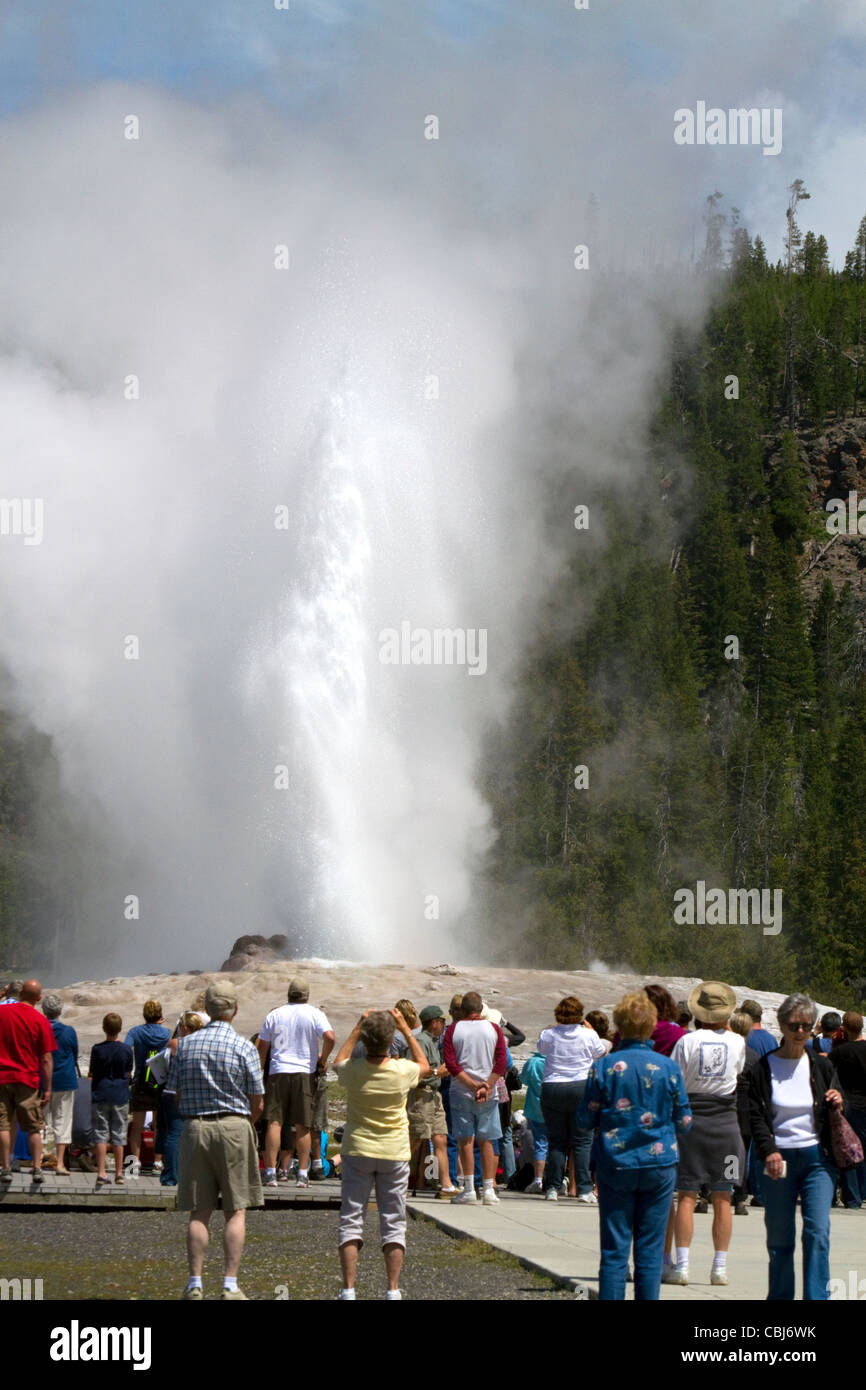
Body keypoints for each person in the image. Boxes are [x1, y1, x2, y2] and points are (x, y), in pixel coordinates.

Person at [577, 991, 692, 1299]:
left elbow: (585, 1119)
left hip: (616, 1164)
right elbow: (685, 1121)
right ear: (652, 1025)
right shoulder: (668, 1068)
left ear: (619, 1025)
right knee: (650, 1252)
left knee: (615, 1250)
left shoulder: (604, 1067)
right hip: (659, 1165)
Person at [171, 982, 265, 1300]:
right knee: (236, 1209)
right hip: (235, 1126)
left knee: (199, 1210)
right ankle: (229, 1285)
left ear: (207, 1009)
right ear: (235, 1010)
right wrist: (245, 1124)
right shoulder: (245, 1047)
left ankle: (195, 1284)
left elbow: (176, 1094)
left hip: (196, 1127)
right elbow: (258, 1100)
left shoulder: (184, 1045)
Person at [748, 992, 844, 1300]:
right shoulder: (763, 1068)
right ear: (781, 1025)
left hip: (818, 1159)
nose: (799, 1032)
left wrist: (838, 1102)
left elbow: (839, 1101)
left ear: (813, 1026)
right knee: (780, 1237)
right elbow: (755, 1115)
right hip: (778, 1161)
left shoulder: (821, 1066)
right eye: (793, 1025)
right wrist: (770, 1150)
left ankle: (817, 1297)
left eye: (805, 1025)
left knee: (817, 1232)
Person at [333, 1008, 431, 1299]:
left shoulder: (353, 1070)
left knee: (351, 1216)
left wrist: (356, 1026)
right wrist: (406, 1029)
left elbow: (337, 1062)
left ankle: (349, 1289)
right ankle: (392, 1290)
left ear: (365, 1039)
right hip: (394, 1151)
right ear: (391, 1041)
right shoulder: (403, 1071)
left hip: (358, 1148)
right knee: (393, 1219)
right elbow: (424, 1064)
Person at [668, 981, 745, 1287]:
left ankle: (683, 1265)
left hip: (691, 1123)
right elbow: (737, 1074)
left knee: (686, 1196)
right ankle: (719, 1267)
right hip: (726, 1124)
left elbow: (675, 1080)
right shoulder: (739, 1042)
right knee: (723, 1196)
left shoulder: (686, 1042)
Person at [256, 978, 335, 1189]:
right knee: (303, 1125)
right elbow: (330, 1037)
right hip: (303, 1073)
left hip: (278, 1072)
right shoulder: (314, 1013)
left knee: (274, 1122)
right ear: (307, 995)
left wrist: (259, 1072)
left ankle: (271, 1173)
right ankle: (302, 1174)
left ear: (288, 994)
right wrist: (323, 1059)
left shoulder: (275, 1014)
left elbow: (262, 1046)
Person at [537, 996, 607, 1204]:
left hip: (553, 1086)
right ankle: (585, 1189)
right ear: (580, 1015)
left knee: (557, 1141)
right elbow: (601, 1052)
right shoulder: (588, 1034)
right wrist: (589, 1029)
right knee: (582, 1141)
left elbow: (542, 1050)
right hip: (580, 1086)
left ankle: (552, 1187)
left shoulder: (549, 1034)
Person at [442, 991, 507, 1205]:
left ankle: (469, 1189)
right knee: (487, 1139)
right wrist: (486, 1085)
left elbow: (451, 1063)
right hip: (489, 1092)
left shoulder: (453, 1029)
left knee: (465, 1139)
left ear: (462, 1010)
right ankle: (488, 1189)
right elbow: (501, 1062)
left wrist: (471, 1085)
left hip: (461, 1090)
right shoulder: (494, 1029)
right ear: (480, 1009)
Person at [0, 979, 56, 1183]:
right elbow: (47, 1059)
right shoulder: (40, 1020)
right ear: (39, 998)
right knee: (33, 1126)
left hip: (2, 1078)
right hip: (27, 1079)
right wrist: (47, 1087)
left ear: (20, 992)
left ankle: (5, 1168)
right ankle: (36, 1168)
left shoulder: (2, 1013)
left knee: (3, 1125)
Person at [407, 1005, 456, 1195]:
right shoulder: (420, 1041)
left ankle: (446, 1184)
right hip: (421, 1095)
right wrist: (437, 1072)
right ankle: (395, 1178)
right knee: (416, 1138)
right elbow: (414, 1069)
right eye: (442, 1022)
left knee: (440, 1137)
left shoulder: (432, 1042)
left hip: (434, 1095)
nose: (444, 1025)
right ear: (435, 1022)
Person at [823, 1009, 866, 1210]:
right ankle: (863, 1192)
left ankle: (854, 1195)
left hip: (850, 1105)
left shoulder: (841, 1052)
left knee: (851, 1150)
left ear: (845, 1028)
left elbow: (827, 1064)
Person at [159, 1011, 205, 1187]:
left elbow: (162, 1066)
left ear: (184, 1027)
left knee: (173, 1135)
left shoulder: (176, 1043)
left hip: (172, 1091)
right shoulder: (202, 1044)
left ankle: (171, 1175)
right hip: (194, 1093)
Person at [89, 1012, 133, 1188]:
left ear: (104, 1028)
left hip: (101, 1092)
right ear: (120, 1029)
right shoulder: (126, 1049)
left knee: (101, 1133)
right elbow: (129, 1070)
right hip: (120, 1094)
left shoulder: (97, 1049)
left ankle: (101, 1172)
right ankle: (119, 1173)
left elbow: (92, 1072)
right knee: (119, 1134)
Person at [126, 1000, 171, 1172]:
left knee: (137, 1126)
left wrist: (128, 1072)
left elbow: (126, 1048)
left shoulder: (135, 1032)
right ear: (160, 1015)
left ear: (144, 1014)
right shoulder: (166, 1033)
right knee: (158, 1125)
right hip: (160, 1082)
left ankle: (134, 1162)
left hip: (141, 1082)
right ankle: (158, 1161)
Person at [41, 992, 78, 1176]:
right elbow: (75, 1052)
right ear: (60, 1010)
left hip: (41, 1081)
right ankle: (60, 1163)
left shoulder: (39, 1029)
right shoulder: (69, 1031)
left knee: (41, 1122)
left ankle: (39, 1160)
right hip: (65, 1080)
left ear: (44, 1010)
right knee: (62, 1122)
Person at [729, 1009, 758, 1216]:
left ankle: (705, 1194)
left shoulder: (724, 1051)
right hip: (746, 1110)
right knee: (740, 1154)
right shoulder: (754, 1057)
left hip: (726, 1107)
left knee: (717, 1152)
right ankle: (739, 1198)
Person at [520, 1048, 548, 1193]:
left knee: (540, 1144)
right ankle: (558, 1178)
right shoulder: (558, 1060)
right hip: (555, 1107)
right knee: (558, 1145)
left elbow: (523, 1079)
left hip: (535, 1107)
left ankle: (538, 1179)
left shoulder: (533, 1062)